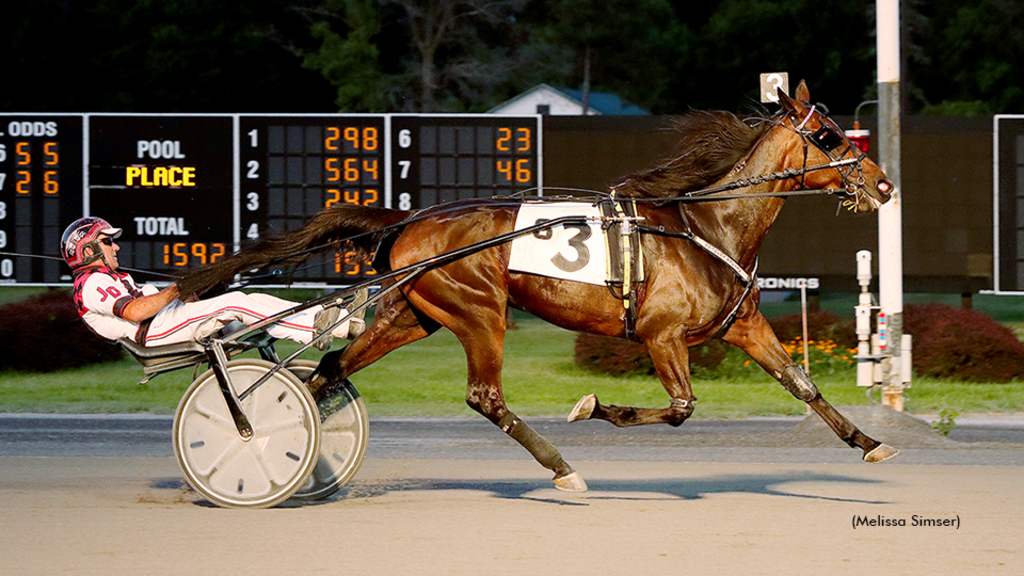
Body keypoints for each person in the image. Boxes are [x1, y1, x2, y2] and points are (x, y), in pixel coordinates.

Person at [62, 217, 364, 351]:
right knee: (238, 304)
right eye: (107, 242)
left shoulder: (111, 278)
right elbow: (135, 313)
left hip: (166, 322)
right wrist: (178, 289)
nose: (115, 247)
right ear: (87, 250)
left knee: (251, 301)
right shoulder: (92, 284)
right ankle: (320, 327)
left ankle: (335, 319)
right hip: (154, 332)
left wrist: (190, 296)